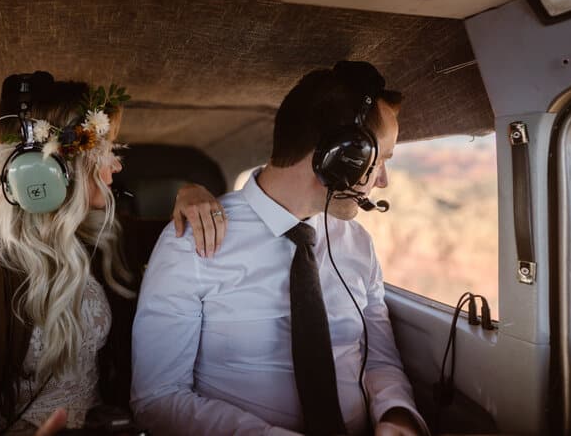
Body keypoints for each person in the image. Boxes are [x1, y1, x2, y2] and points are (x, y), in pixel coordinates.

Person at [130, 61, 429, 436]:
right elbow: (156, 399)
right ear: (338, 157)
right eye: (379, 160)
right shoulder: (191, 243)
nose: (382, 182)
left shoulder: (358, 245)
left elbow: (379, 358)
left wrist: (396, 414)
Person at [0, 72, 225, 435]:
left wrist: (192, 194)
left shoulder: (103, 240)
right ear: (50, 173)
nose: (116, 166)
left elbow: (181, 234)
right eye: (104, 152)